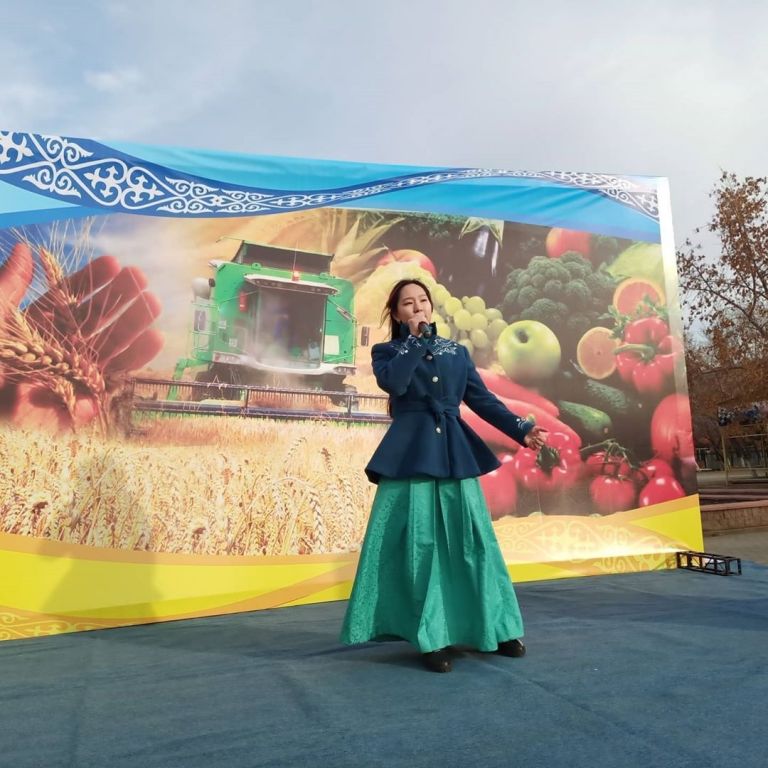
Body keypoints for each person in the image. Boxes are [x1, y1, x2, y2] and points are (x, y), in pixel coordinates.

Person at [340, 279, 547, 673]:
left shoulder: (457, 353)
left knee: (474, 542)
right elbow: (395, 383)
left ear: (431, 306)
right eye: (408, 303)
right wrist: (416, 342)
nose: (417, 307)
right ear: (397, 313)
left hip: (454, 454)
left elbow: (482, 400)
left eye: (423, 300)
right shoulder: (387, 352)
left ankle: (497, 627)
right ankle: (430, 637)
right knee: (419, 547)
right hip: (410, 456)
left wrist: (521, 428)